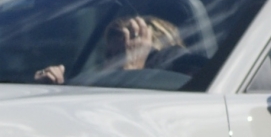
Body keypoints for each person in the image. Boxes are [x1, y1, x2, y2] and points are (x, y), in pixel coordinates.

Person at [35, 13, 183, 84]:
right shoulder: (96, 88)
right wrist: (58, 88)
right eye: (109, 56)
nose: (112, 64)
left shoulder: (183, 84)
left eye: (122, 55)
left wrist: (132, 71)